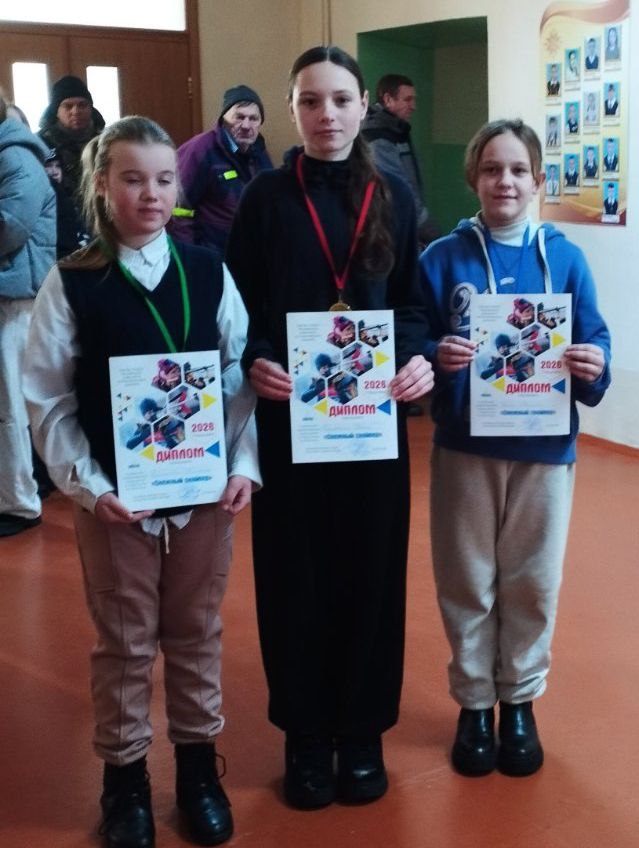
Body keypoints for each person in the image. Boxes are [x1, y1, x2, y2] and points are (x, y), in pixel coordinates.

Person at [23, 116, 260, 848]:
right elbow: (47, 398)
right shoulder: (73, 281)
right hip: (115, 501)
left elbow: (238, 374)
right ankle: (124, 778)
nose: (150, 194)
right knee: (125, 641)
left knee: (196, 631)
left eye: (162, 179)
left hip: (201, 497)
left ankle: (197, 770)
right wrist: (89, 486)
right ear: (103, 185)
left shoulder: (208, 271)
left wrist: (241, 465)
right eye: (132, 179)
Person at [226, 45, 433, 811]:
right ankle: (307, 735)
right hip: (291, 426)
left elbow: (413, 306)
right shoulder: (265, 200)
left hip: (371, 427)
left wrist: (415, 361)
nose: (326, 114)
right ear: (291, 109)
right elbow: (239, 308)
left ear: (361, 106)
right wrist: (255, 357)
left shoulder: (394, 197)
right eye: (310, 101)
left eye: (341, 99)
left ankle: (364, 730)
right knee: (296, 579)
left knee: (371, 575)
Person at [419, 118, 610, 778]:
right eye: (492, 168)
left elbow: (595, 338)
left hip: (544, 451)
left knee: (533, 580)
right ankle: (475, 703)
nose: (505, 180)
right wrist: (435, 355)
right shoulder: (441, 259)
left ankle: (520, 700)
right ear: (473, 177)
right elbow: (414, 340)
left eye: (519, 170)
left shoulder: (566, 258)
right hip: (466, 447)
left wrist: (593, 364)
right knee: (466, 579)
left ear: (538, 181)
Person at [0, 94, 56, 537]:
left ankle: (20, 503)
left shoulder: (16, 157)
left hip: (14, 297)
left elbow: (9, 228)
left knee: (10, 405)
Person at [171, 85, 273, 255]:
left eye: (253, 118)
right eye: (239, 117)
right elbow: (179, 210)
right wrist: (192, 257)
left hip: (251, 257)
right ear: (223, 119)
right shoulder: (200, 150)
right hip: (213, 257)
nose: (246, 125)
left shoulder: (260, 154)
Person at [362, 73, 442, 248]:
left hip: (402, 224)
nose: (413, 106)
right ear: (388, 100)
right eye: (407, 100)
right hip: (390, 229)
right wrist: (433, 234)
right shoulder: (379, 136)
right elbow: (398, 190)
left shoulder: (397, 130)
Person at [38, 75, 105, 216]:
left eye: (82, 105)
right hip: (58, 217)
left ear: (90, 108)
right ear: (56, 111)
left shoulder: (106, 142)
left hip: (102, 215)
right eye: (68, 106)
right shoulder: (40, 145)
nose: (75, 111)